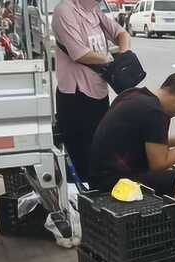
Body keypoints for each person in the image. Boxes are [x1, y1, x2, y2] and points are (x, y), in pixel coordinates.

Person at [89, 73, 175, 236]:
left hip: (100, 173)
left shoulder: (134, 95)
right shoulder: (154, 112)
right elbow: (158, 165)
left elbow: (152, 141)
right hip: (114, 182)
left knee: (172, 176)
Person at [52, 0, 130, 182]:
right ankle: (81, 202)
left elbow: (121, 33)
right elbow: (79, 53)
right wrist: (111, 58)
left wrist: (125, 54)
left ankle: (97, 193)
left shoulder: (93, 10)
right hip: (76, 95)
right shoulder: (65, 11)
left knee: (99, 149)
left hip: (99, 91)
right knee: (81, 157)